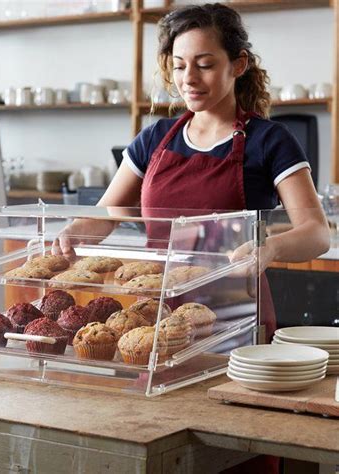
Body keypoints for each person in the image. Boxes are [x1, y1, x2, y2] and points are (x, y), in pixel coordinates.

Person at [53, 5, 330, 471]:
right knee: (160, 441)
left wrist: (271, 248)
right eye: (180, 65)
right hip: (157, 317)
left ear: (238, 65)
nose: (189, 78)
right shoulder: (156, 138)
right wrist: (75, 230)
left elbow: (317, 232)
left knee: (235, 448)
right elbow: (109, 212)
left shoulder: (268, 140)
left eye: (205, 64)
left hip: (235, 321)